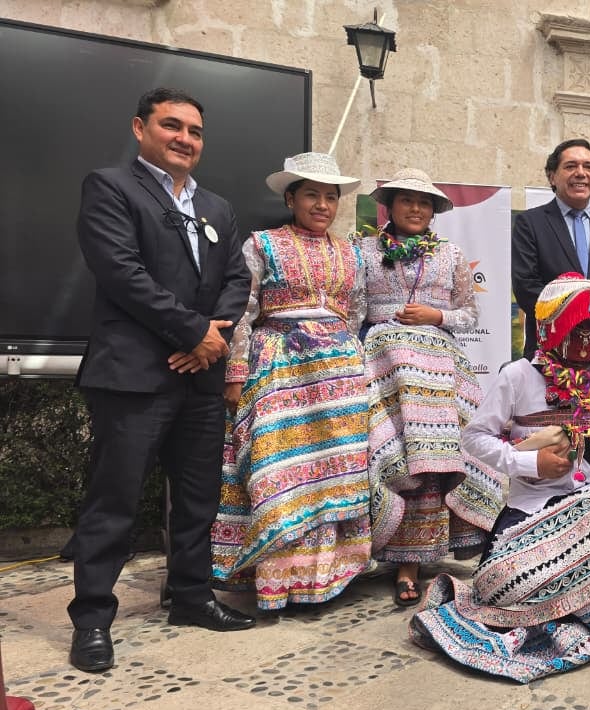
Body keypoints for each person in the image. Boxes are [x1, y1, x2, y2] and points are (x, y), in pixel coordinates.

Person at [409, 274, 590, 682]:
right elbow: (473, 438)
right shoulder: (519, 376)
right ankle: (581, 601)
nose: (587, 343)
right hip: (531, 510)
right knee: (496, 584)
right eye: (578, 330)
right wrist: (530, 465)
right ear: (552, 328)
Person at [70, 87, 255, 673]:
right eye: (171, 125)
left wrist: (210, 342)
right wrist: (193, 333)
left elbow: (235, 280)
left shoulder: (218, 208)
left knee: (198, 498)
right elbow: (121, 273)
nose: (184, 138)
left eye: (195, 131)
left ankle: (192, 597)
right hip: (133, 376)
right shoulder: (110, 187)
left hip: (200, 377)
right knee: (114, 501)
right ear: (139, 128)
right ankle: (94, 618)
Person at [211, 152, 373, 609]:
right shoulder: (261, 244)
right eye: (312, 195)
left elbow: (356, 310)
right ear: (291, 198)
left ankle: (323, 580)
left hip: (339, 372)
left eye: (330, 197)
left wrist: (350, 356)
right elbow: (242, 310)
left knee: (332, 470)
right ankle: (276, 582)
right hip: (281, 364)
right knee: (277, 467)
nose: (322, 205)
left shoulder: (351, 251)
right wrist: (237, 373)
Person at [357, 168, 503, 607]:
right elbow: (354, 309)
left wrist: (435, 317)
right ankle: (372, 553)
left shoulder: (452, 254)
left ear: (434, 211)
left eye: (424, 203)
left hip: (439, 370)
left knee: (436, 461)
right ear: (391, 206)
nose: (416, 209)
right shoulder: (363, 250)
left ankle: (414, 563)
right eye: (407, 201)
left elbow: (469, 314)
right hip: (386, 367)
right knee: (394, 455)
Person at [512, 138, 590, 359]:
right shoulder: (530, 223)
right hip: (550, 352)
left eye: (588, 167)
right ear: (552, 176)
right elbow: (525, 285)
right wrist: (569, 322)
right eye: (570, 166)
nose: (581, 173)